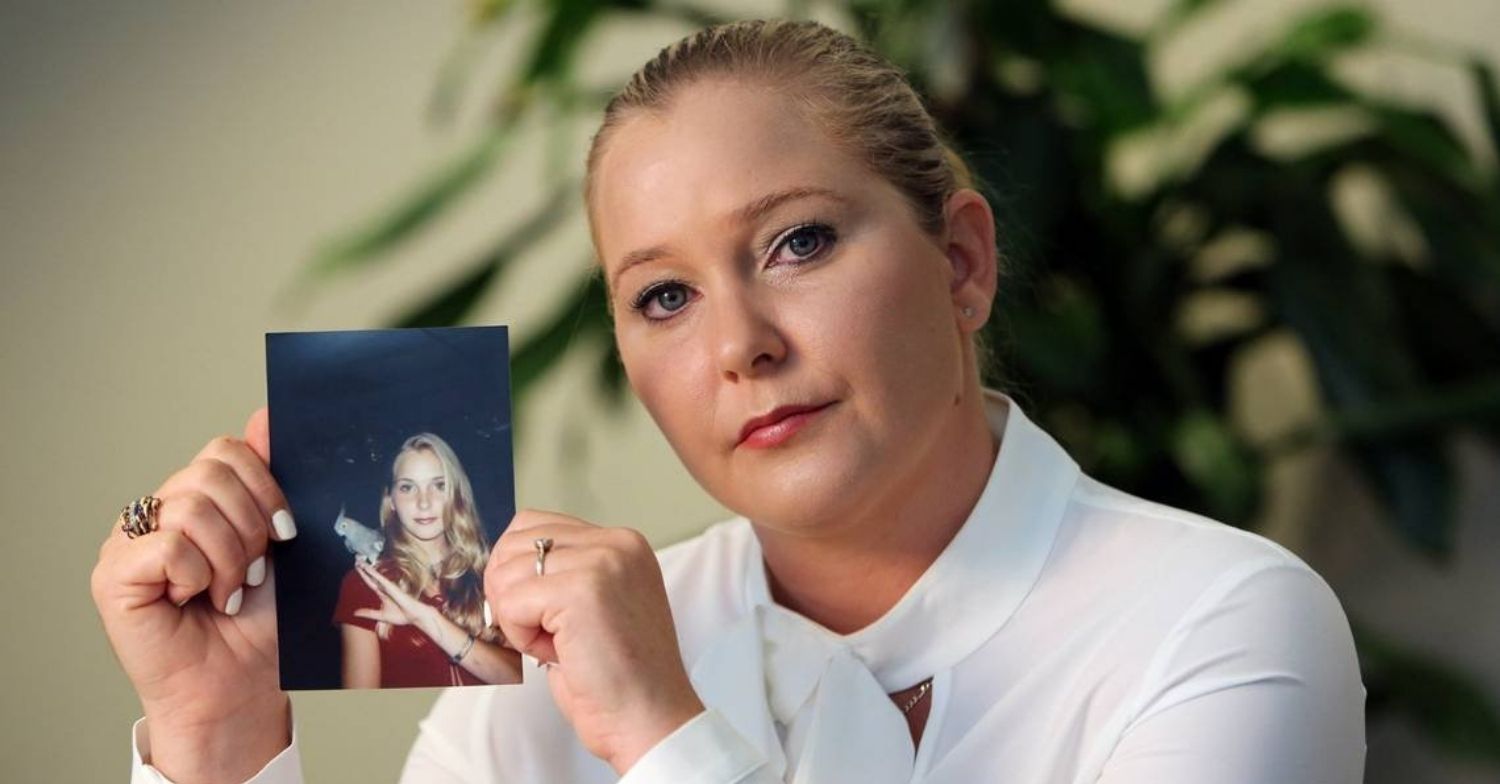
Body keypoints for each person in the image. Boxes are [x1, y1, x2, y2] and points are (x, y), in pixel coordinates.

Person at [93, 17, 1365, 784]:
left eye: (799, 242)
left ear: (962, 261)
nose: (740, 346)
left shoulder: (1221, 622)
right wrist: (212, 735)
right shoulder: (529, 680)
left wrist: (661, 733)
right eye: (662, 298)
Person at [332, 432, 522, 688]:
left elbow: (524, 679)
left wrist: (427, 619)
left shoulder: (493, 570)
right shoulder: (366, 584)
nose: (424, 503)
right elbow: (359, 708)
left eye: (439, 485)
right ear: (391, 502)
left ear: (457, 494)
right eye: (408, 487)